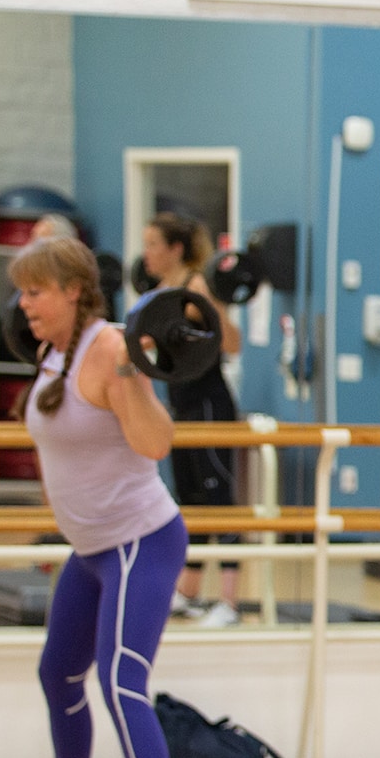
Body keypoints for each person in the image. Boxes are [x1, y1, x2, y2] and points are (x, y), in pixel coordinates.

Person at [0, 237, 195, 758]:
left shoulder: (109, 347)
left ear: (74, 289)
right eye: (22, 291)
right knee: (58, 670)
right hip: (90, 549)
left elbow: (156, 442)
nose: (24, 305)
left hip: (141, 540)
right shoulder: (55, 352)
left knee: (122, 682)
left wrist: (135, 371)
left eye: (35, 290)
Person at [143, 212, 243, 628]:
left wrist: (209, 311)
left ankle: (230, 602)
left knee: (219, 502)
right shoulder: (161, 292)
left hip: (209, 406)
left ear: (175, 249)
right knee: (191, 501)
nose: (146, 253)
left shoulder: (195, 287)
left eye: (153, 244)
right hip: (180, 406)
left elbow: (232, 342)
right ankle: (189, 592)